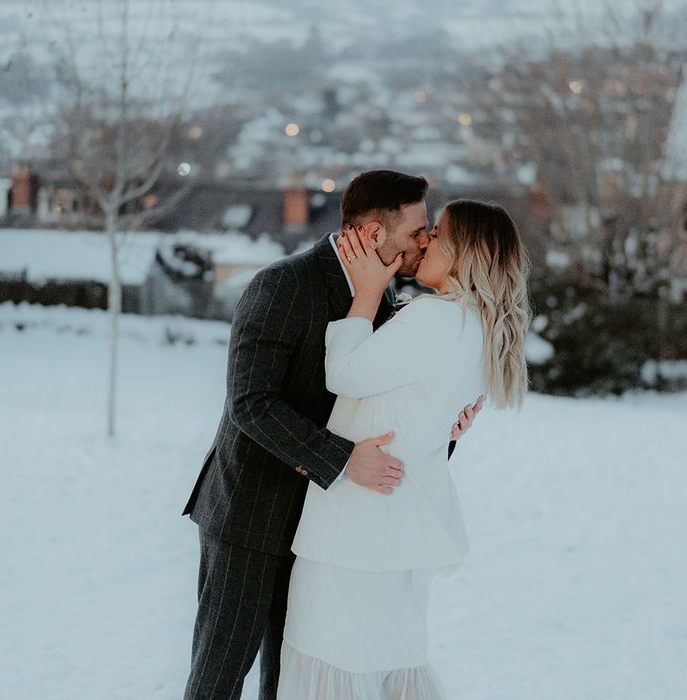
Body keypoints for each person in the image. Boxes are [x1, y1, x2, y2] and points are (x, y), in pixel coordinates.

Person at [181, 171, 483, 700]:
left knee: (289, 682)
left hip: (323, 534)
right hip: (249, 519)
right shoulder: (281, 285)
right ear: (372, 235)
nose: (425, 242)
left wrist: (446, 428)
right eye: (416, 230)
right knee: (218, 681)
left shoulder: (389, 305)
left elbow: (388, 407)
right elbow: (252, 404)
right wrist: (342, 460)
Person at [277, 199, 531, 699]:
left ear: (464, 252)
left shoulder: (434, 320)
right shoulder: (478, 327)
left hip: (354, 532)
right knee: (390, 667)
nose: (426, 241)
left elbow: (343, 373)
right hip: (402, 533)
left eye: (438, 234)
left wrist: (368, 293)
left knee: (332, 665)